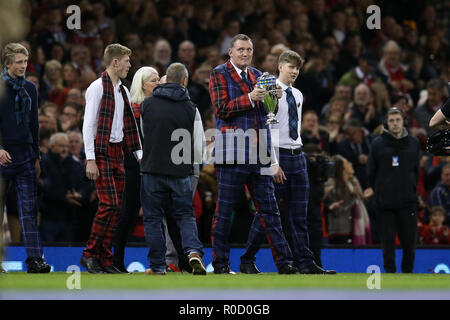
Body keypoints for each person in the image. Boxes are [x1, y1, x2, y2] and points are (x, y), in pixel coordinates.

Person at [240, 50, 336, 274]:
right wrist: (272, 163)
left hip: (298, 156)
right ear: (280, 66)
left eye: (297, 68)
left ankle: (305, 261)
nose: (294, 71)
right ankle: (247, 259)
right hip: (278, 156)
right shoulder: (270, 91)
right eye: (290, 66)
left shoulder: (299, 95)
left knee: (300, 214)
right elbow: (267, 128)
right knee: (267, 213)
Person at [209, 34, 297, 274]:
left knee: (270, 211)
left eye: (249, 49)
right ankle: (220, 265)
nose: (245, 53)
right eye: (240, 50)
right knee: (225, 212)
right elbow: (222, 109)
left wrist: (275, 100)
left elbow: (268, 114)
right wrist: (249, 98)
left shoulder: (260, 76)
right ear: (231, 52)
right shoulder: (219, 73)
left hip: (260, 153)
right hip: (232, 151)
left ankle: (285, 263)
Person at [140, 62, 206, 275]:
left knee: (153, 219)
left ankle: (158, 266)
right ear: (185, 81)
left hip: (152, 170)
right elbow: (199, 143)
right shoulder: (191, 107)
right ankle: (193, 251)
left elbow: (144, 137)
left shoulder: (147, 105)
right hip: (181, 171)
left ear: (165, 79)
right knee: (185, 215)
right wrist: (194, 167)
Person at [80, 43, 142, 274]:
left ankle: (105, 259)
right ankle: (89, 254)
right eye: (126, 61)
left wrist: (139, 155)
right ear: (115, 62)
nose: (129, 65)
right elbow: (89, 125)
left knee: (117, 209)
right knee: (109, 204)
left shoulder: (123, 91)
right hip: (101, 152)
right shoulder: (97, 88)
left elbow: (130, 126)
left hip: (118, 152)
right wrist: (90, 158)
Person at [0, 42, 50, 273]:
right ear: (7, 63)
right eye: (18, 62)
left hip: (25, 156)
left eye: (25, 61)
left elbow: (34, 124)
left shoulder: (30, 89)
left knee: (29, 210)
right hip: (2, 155)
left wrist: (37, 155)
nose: (23, 65)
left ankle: (35, 260)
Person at [366, 107, 421, 273]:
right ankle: (390, 276)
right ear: (386, 123)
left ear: (403, 121)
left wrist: (411, 189)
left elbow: (416, 171)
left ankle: (408, 275)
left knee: (409, 244)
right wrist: (380, 192)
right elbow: (370, 172)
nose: (395, 124)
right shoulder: (377, 143)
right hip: (385, 204)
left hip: (408, 203)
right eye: (392, 120)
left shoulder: (414, 143)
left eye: (398, 120)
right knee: (388, 245)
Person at [38, 133, 94, 241]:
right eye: (61, 146)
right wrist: (64, 197)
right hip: (49, 217)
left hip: (69, 218)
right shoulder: (44, 163)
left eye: (66, 146)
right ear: (52, 146)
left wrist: (79, 194)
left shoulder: (73, 164)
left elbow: (85, 184)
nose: (64, 149)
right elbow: (45, 186)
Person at [324, 154, 372, 244]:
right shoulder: (331, 185)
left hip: (357, 227)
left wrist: (363, 197)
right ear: (341, 168)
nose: (350, 164)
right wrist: (354, 198)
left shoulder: (354, 181)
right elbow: (338, 208)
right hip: (340, 228)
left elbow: (359, 202)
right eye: (347, 163)